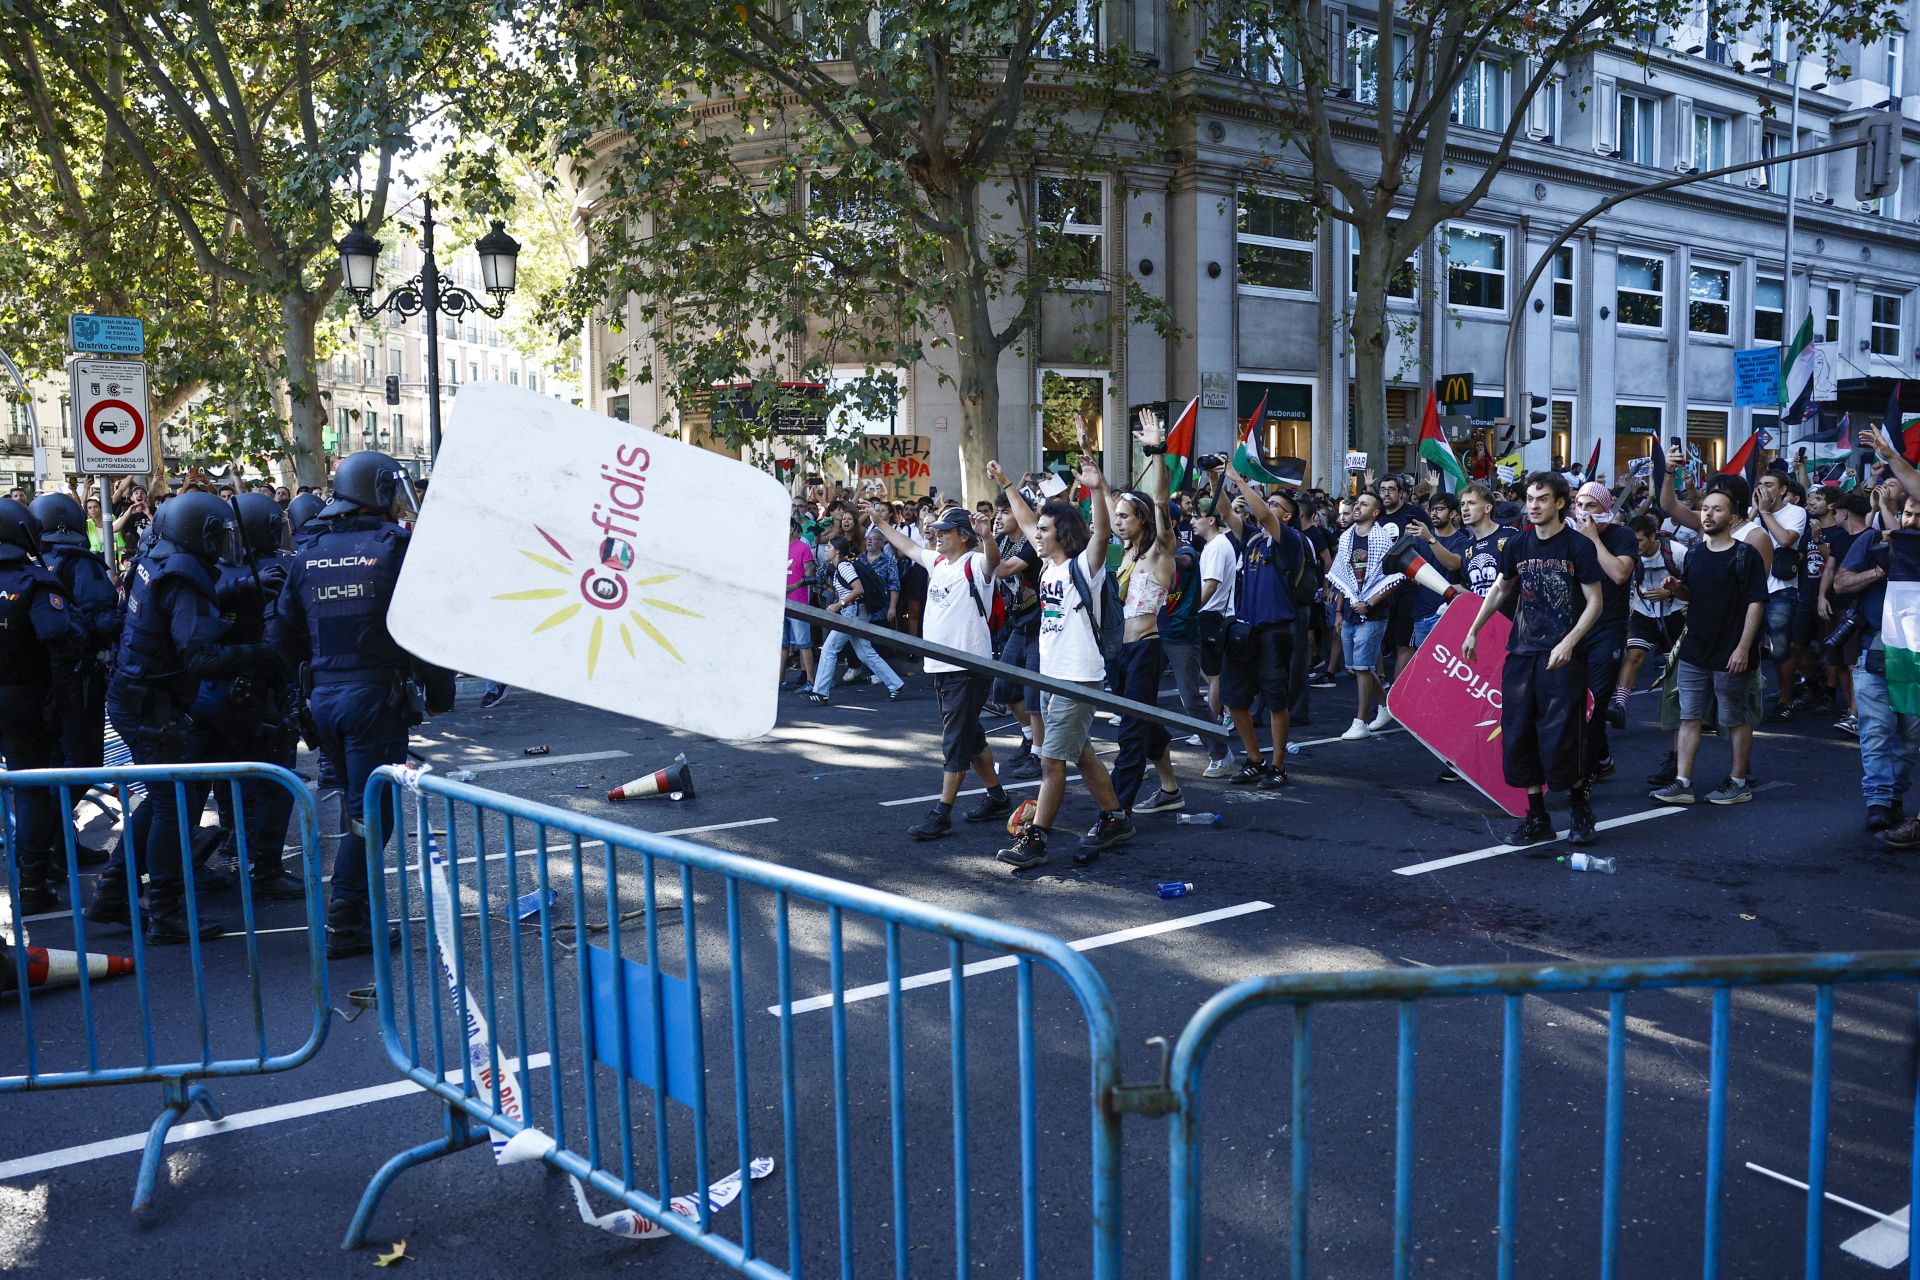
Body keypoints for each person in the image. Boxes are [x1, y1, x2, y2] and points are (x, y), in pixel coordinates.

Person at [271, 451, 447, 958]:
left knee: (355, 806)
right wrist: (438, 692)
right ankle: (345, 917)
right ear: (374, 492)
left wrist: (316, 681)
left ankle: (358, 913)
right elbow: (424, 630)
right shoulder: (395, 548)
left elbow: (282, 634)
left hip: (326, 698)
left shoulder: (307, 554)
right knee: (373, 814)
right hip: (374, 699)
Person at [101, 492, 273, 941]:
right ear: (196, 532)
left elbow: (171, 612)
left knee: (162, 803)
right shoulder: (181, 572)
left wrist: (239, 589)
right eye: (215, 536)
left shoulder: (155, 558)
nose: (219, 545)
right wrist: (262, 654)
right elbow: (200, 655)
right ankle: (165, 912)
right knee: (172, 809)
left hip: (136, 694)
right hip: (151, 705)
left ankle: (113, 893)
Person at [989, 438, 1131, 869]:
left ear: (1063, 535)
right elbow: (1028, 520)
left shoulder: (1080, 567)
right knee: (1081, 751)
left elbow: (1102, 534)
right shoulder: (1049, 564)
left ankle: (1034, 840)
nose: (1038, 535)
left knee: (1052, 760)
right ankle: (1114, 818)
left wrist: (1096, 489)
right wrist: (1008, 484)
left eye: (1046, 531)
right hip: (1051, 675)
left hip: (1077, 674)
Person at [1462, 472, 1606, 846]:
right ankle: (1536, 816)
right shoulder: (1518, 544)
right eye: (1530, 498)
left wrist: (1570, 642)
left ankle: (1579, 809)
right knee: (1519, 736)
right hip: (1523, 653)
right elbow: (1500, 587)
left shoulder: (1577, 546)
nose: (1534, 505)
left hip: (1563, 657)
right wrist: (1474, 629)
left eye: (1542, 499)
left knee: (1560, 738)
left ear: (1560, 503)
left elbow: (1595, 602)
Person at [864, 502, 1012, 839]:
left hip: (968, 666)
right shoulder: (939, 561)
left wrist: (987, 537)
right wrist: (880, 523)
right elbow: (910, 547)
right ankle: (997, 796)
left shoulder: (975, 562)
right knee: (970, 735)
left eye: (945, 531)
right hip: (940, 666)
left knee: (955, 739)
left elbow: (993, 561)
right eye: (937, 531)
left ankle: (942, 812)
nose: (937, 536)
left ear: (963, 536)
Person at [197, 493, 306, 900]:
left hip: (214, 691)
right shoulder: (279, 569)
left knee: (226, 777)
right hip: (263, 692)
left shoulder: (205, 572)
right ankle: (266, 868)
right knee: (275, 783)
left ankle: (233, 842)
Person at [1649, 487, 1768, 806]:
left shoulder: (1746, 555)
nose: (1708, 514)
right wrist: (1677, 588)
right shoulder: (1697, 553)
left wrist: (1743, 648)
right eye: (1705, 509)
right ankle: (1683, 782)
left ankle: (1739, 782)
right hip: (1694, 649)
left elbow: (1756, 604)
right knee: (1689, 717)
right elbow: (1693, 594)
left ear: (1731, 518)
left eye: (1717, 509)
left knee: (1734, 718)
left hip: (1730, 651)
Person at [1100, 423, 1186, 816]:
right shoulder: (1126, 555)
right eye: (1116, 516)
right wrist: (1096, 480)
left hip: (1147, 649)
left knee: (1132, 730)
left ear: (1143, 519)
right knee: (1144, 721)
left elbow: (1161, 497)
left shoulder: (1158, 551)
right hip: (1120, 651)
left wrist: (1157, 451)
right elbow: (1104, 515)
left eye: (1125, 516)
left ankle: (1117, 809)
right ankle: (1170, 789)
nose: (1118, 522)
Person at [0, 499, 82, 916]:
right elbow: (57, 634)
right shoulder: (33, 581)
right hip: (25, 698)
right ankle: (32, 881)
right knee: (32, 789)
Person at [1210, 466, 1308, 784]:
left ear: (1289, 517)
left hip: (1275, 630)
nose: (1269, 507)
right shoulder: (1251, 540)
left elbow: (1265, 516)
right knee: (1235, 697)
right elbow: (1225, 512)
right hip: (1244, 630)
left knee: (1275, 699)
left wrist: (1239, 481)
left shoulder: (1291, 540)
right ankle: (1254, 759)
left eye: (1278, 505)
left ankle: (1278, 765)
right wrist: (1216, 480)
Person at [1569, 481, 1637, 785]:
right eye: (1579, 505)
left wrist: (1593, 540)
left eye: (1591, 506)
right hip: (1575, 629)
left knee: (1594, 703)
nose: (1583, 512)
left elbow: (1620, 574)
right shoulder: (1568, 535)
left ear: (1605, 508)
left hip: (1608, 628)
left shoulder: (1621, 535)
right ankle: (1602, 756)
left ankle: (1582, 775)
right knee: (1571, 699)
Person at [1327, 491, 1399, 740]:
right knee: (1357, 666)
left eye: (1364, 504)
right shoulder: (1346, 537)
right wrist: (1338, 611)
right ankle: (1386, 704)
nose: (1357, 507)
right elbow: (1343, 578)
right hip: (1348, 611)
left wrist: (1370, 602)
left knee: (1361, 666)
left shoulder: (1383, 540)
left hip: (1374, 613)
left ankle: (1361, 721)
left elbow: (1394, 579)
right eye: (1357, 503)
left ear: (1375, 512)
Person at [807, 535, 906, 703]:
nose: (826, 549)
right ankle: (895, 684)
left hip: (852, 611)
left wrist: (839, 604)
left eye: (829, 547)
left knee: (829, 648)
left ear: (837, 550)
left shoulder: (844, 566)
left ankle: (821, 691)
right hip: (857, 611)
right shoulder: (842, 567)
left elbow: (858, 590)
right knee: (865, 652)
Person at [1616, 513, 1688, 722]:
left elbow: (1695, 581)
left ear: (1652, 537)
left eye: (1639, 541)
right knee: (1634, 655)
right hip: (1644, 611)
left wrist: (1671, 592)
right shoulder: (1629, 555)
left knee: (1675, 665)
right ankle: (1620, 706)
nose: (1634, 545)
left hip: (1674, 611)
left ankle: (1681, 712)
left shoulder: (1677, 552)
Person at [992, 497, 1045, 778]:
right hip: (1017, 624)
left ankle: (1039, 753)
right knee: (1003, 689)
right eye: (997, 512)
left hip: (1038, 626)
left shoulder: (1031, 544)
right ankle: (1028, 736)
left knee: (1033, 693)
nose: (998, 517)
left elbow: (1003, 570)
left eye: (1005, 512)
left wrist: (983, 539)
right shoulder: (1001, 542)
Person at [1751, 471, 1807, 717]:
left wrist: (1765, 513)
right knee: (1746, 646)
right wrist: (1754, 512)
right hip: (1752, 589)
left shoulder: (1796, 512)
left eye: (1769, 485)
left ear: (1783, 490)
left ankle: (1786, 699)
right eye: (1760, 484)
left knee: (1780, 649)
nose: (1763, 488)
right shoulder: (1752, 512)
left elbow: (1785, 540)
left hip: (1781, 590)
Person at [1194, 501, 1241, 778]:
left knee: (1213, 675)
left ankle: (1212, 724)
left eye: (1197, 517)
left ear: (1212, 520)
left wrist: (1192, 610)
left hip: (1212, 615)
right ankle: (1217, 719)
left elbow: (1211, 584)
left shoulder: (1218, 546)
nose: (1192, 522)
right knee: (1210, 673)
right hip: (1211, 614)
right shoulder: (1215, 545)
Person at [781, 516, 817, 692]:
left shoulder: (803, 547)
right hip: (780, 603)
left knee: (804, 644)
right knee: (782, 644)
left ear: (791, 529)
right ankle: (779, 681)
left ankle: (810, 681)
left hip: (799, 602)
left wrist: (806, 600)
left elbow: (809, 576)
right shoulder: (776, 548)